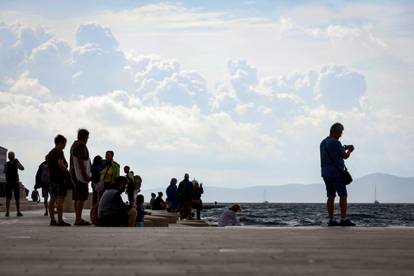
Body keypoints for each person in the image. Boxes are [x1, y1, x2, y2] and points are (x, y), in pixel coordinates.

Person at [320, 122, 355, 227]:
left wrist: (343, 148)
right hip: (336, 173)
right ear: (334, 131)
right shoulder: (335, 143)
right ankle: (343, 219)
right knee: (343, 195)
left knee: (330, 196)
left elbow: (334, 153)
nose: (341, 135)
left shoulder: (323, 142)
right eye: (340, 132)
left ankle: (331, 220)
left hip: (325, 173)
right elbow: (344, 156)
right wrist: (350, 150)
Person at [47, 134, 72, 226]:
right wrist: (68, 172)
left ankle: (52, 220)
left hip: (52, 180)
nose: (65, 145)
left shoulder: (50, 153)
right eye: (64, 143)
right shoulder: (59, 151)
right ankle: (60, 220)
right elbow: (60, 164)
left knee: (52, 199)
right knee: (60, 201)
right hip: (60, 179)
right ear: (61, 143)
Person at [70, 129, 92, 226]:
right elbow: (80, 160)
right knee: (81, 197)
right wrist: (85, 174)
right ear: (85, 137)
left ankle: (78, 218)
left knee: (77, 197)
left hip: (73, 174)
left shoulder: (74, 145)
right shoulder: (81, 145)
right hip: (79, 175)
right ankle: (78, 219)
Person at [3, 151, 25, 217]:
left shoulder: (6, 164)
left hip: (8, 182)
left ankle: (7, 212)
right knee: (17, 198)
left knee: (8, 198)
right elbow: (22, 168)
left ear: (8, 157)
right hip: (15, 182)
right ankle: (18, 211)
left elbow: (4, 171)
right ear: (14, 156)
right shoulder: (16, 162)